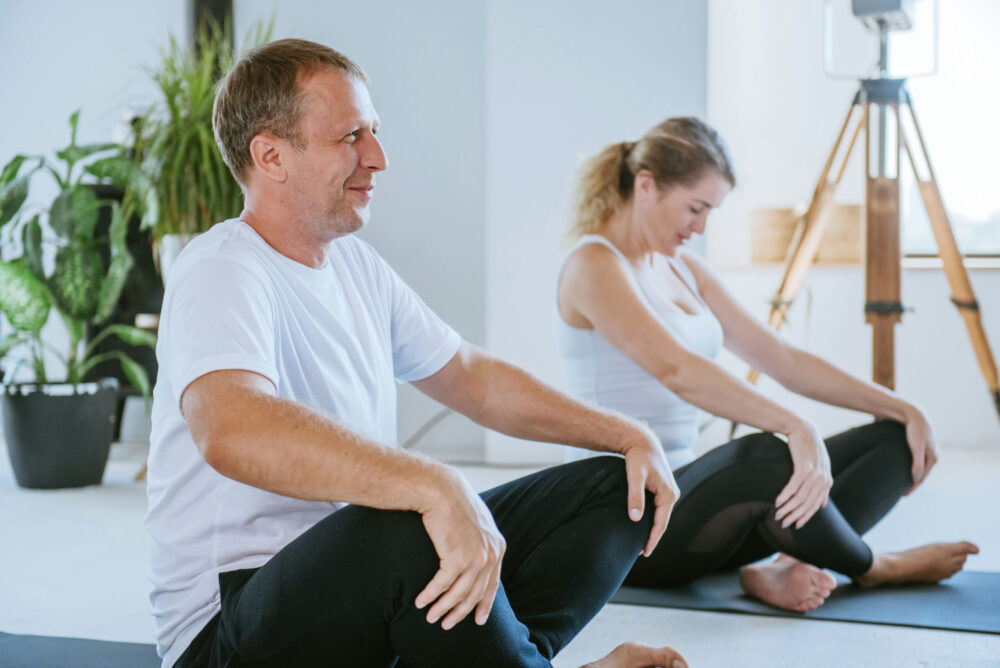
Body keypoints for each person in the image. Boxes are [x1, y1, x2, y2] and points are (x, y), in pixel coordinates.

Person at [145, 38, 688, 668]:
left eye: (373, 131)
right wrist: (431, 482)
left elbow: (470, 377)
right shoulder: (222, 267)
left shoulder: (355, 265)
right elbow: (230, 428)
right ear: (271, 156)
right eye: (350, 135)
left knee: (617, 484)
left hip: (362, 596)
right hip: (229, 628)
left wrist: (626, 434)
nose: (377, 157)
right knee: (407, 519)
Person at [556, 116, 979, 613]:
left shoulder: (683, 269)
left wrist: (905, 409)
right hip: (624, 522)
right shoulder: (593, 264)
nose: (701, 227)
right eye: (695, 208)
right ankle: (871, 566)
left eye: (711, 211)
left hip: (692, 500)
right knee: (763, 455)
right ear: (645, 185)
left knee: (893, 441)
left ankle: (781, 563)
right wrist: (793, 425)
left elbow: (780, 357)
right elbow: (678, 371)